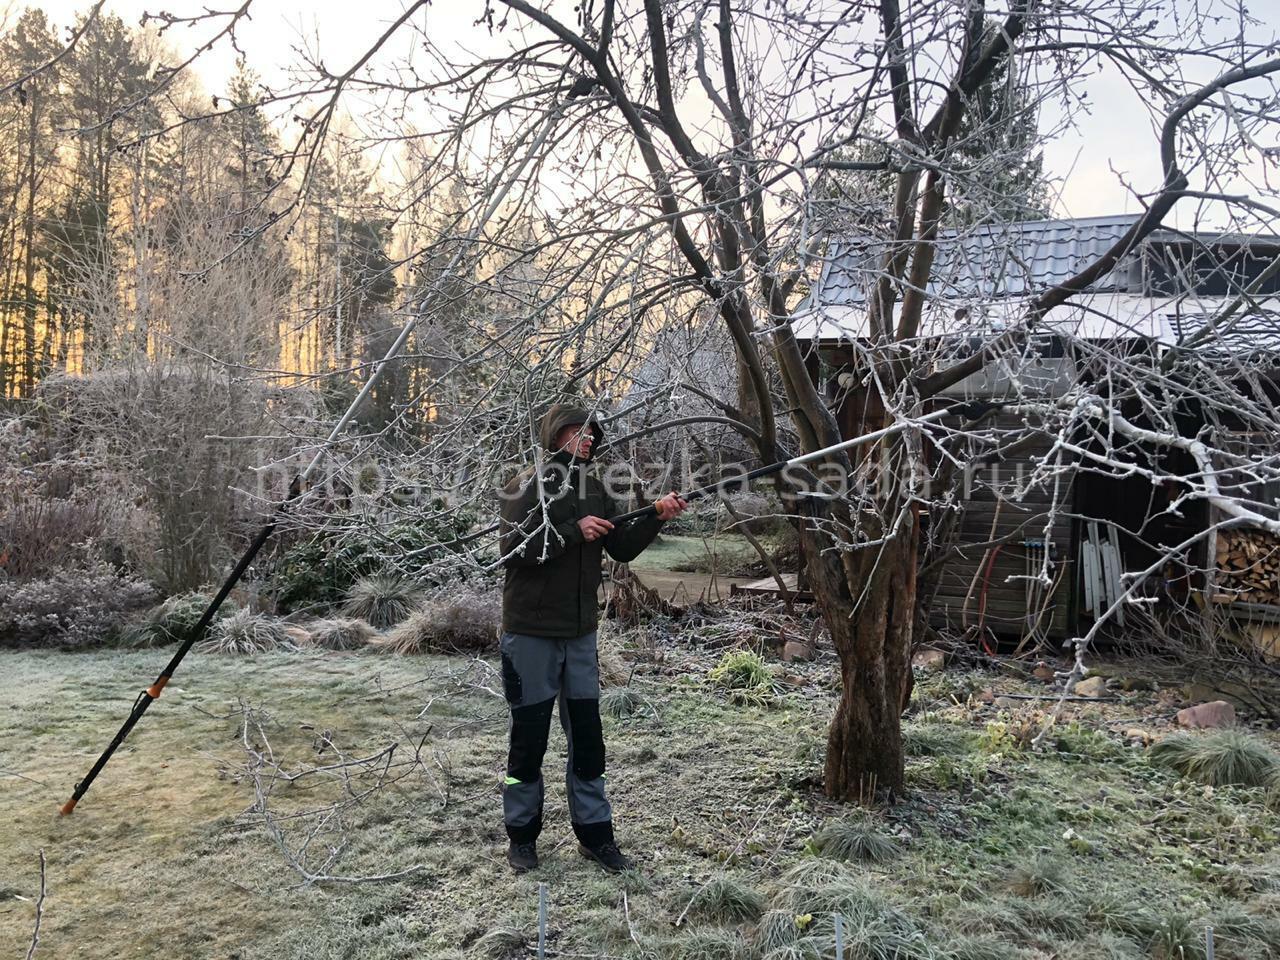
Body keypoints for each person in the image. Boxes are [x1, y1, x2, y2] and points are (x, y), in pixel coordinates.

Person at [497, 403, 687, 874]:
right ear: (554, 435)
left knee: (588, 739)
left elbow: (619, 546)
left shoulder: (596, 487)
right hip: (531, 634)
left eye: (592, 433)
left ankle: (595, 836)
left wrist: (657, 516)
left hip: (580, 635)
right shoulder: (528, 483)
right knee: (529, 741)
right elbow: (512, 549)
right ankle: (522, 838)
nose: (587, 439)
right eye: (577, 431)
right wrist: (571, 531)